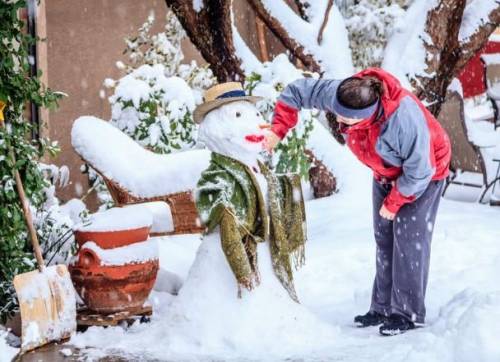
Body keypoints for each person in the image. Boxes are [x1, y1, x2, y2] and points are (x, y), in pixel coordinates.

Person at [264, 68, 451, 336]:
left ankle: (406, 313)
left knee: (408, 238)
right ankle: (383, 307)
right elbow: (295, 92)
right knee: (384, 236)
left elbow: (420, 170)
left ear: (367, 115)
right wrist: (277, 130)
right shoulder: (343, 93)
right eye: (338, 114)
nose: (339, 121)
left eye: (346, 120)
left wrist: (395, 201)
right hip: (387, 171)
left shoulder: (402, 119)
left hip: (425, 173)